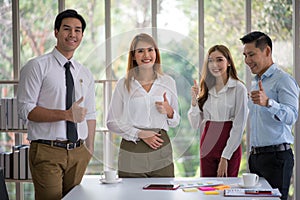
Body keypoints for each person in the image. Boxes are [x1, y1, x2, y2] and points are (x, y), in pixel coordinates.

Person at [17, 9, 96, 200]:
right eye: (67, 29)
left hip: (79, 152)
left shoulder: (84, 73)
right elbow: (25, 109)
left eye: (77, 30)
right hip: (47, 151)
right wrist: (66, 115)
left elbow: (91, 113)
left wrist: (89, 149)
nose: (72, 34)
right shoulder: (36, 66)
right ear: (56, 32)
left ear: (82, 35)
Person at [106, 33, 180, 178]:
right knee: (132, 195)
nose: (146, 55)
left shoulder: (168, 82)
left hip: (160, 145)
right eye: (140, 51)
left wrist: (169, 111)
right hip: (132, 148)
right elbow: (111, 122)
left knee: (163, 194)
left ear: (156, 53)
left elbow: (175, 121)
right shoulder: (123, 84)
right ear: (133, 56)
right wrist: (140, 134)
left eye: (150, 50)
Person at [240, 31, 299, 200]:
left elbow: (292, 116)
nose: (247, 61)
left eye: (251, 55)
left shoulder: (284, 80)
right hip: (256, 158)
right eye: (245, 55)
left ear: (267, 51)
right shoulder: (255, 82)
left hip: (277, 159)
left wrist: (269, 103)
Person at [188, 45, 248, 177]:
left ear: (229, 63)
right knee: (208, 191)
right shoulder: (206, 88)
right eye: (210, 60)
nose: (214, 64)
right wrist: (194, 101)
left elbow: (239, 126)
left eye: (219, 59)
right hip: (207, 144)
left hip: (229, 144)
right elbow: (195, 124)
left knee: (226, 191)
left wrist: (225, 157)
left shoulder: (239, 88)